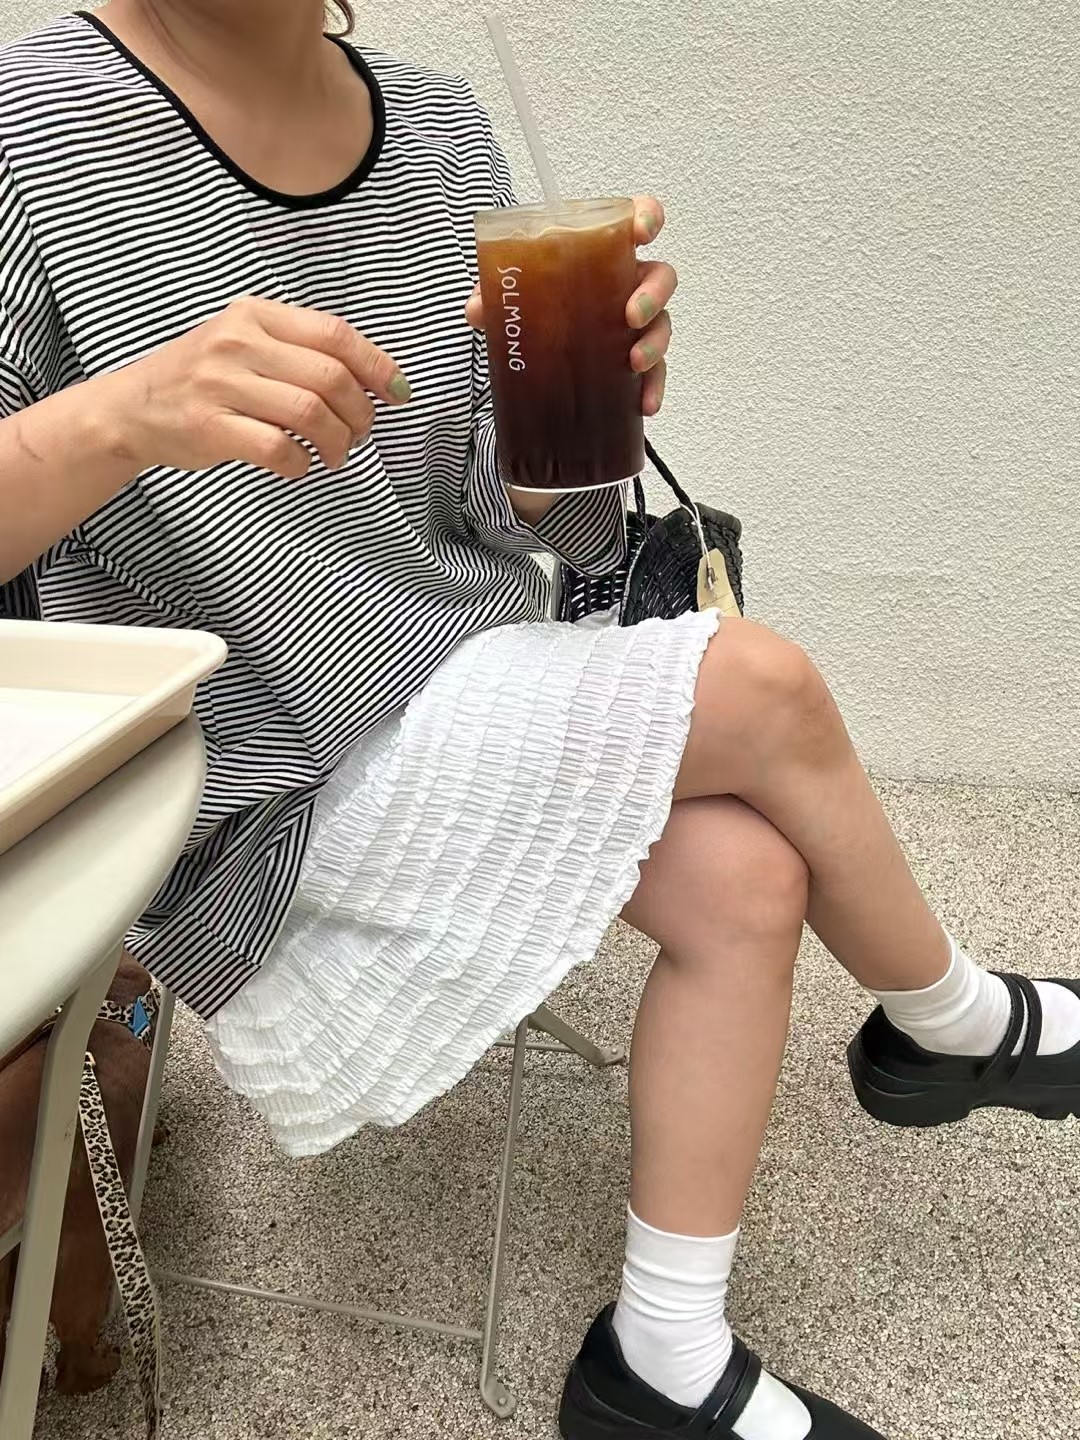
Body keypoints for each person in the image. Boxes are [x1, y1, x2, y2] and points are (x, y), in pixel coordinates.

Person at [0, 4, 1075, 1437]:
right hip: (243, 776)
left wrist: (587, 413)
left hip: (458, 665)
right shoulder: (29, 124)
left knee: (751, 880)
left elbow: (522, 522)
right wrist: (118, 417)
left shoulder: (441, 127)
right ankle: (950, 1020)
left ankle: (661, 1358)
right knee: (765, 687)